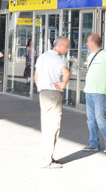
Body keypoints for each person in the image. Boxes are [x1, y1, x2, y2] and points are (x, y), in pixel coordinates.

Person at [34, 36, 71, 169]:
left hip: (43, 92)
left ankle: (47, 156)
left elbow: (36, 75)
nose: (67, 50)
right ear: (59, 45)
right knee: (53, 126)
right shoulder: (57, 58)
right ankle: (46, 160)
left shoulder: (42, 56)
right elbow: (66, 72)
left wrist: (39, 88)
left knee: (46, 125)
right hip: (53, 92)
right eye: (66, 47)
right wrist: (63, 83)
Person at [82, 34, 106, 153]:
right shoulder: (90, 55)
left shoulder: (105, 55)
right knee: (91, 119)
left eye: (87, 42)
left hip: (99, 92)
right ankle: (94, 143)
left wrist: (105, 85)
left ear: (93, 43)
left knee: (100, 118)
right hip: (89, 91)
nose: (86, 44)